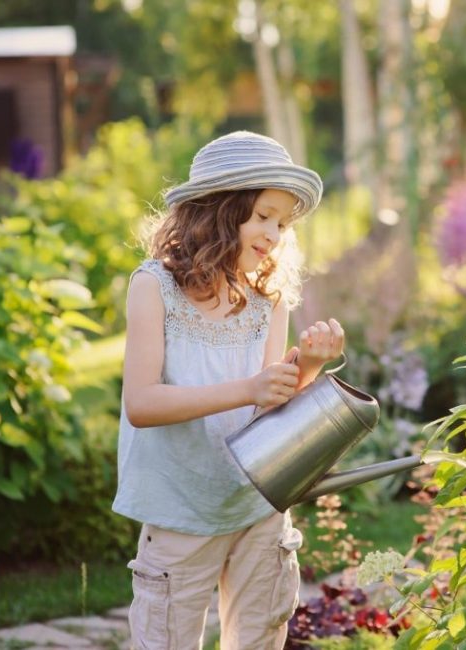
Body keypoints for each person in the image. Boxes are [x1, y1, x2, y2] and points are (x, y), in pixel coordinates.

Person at [112, 131, 344, 649]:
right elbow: (142, 403)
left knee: (259, 637)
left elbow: (270, 404)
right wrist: (248, 387)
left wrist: (306, 364)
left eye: (283, 223)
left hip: (258, 504)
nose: (274, 233)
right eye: (262, 215)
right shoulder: (154, 288)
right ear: (218, 209)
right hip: (180, 507)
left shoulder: (269, 298)